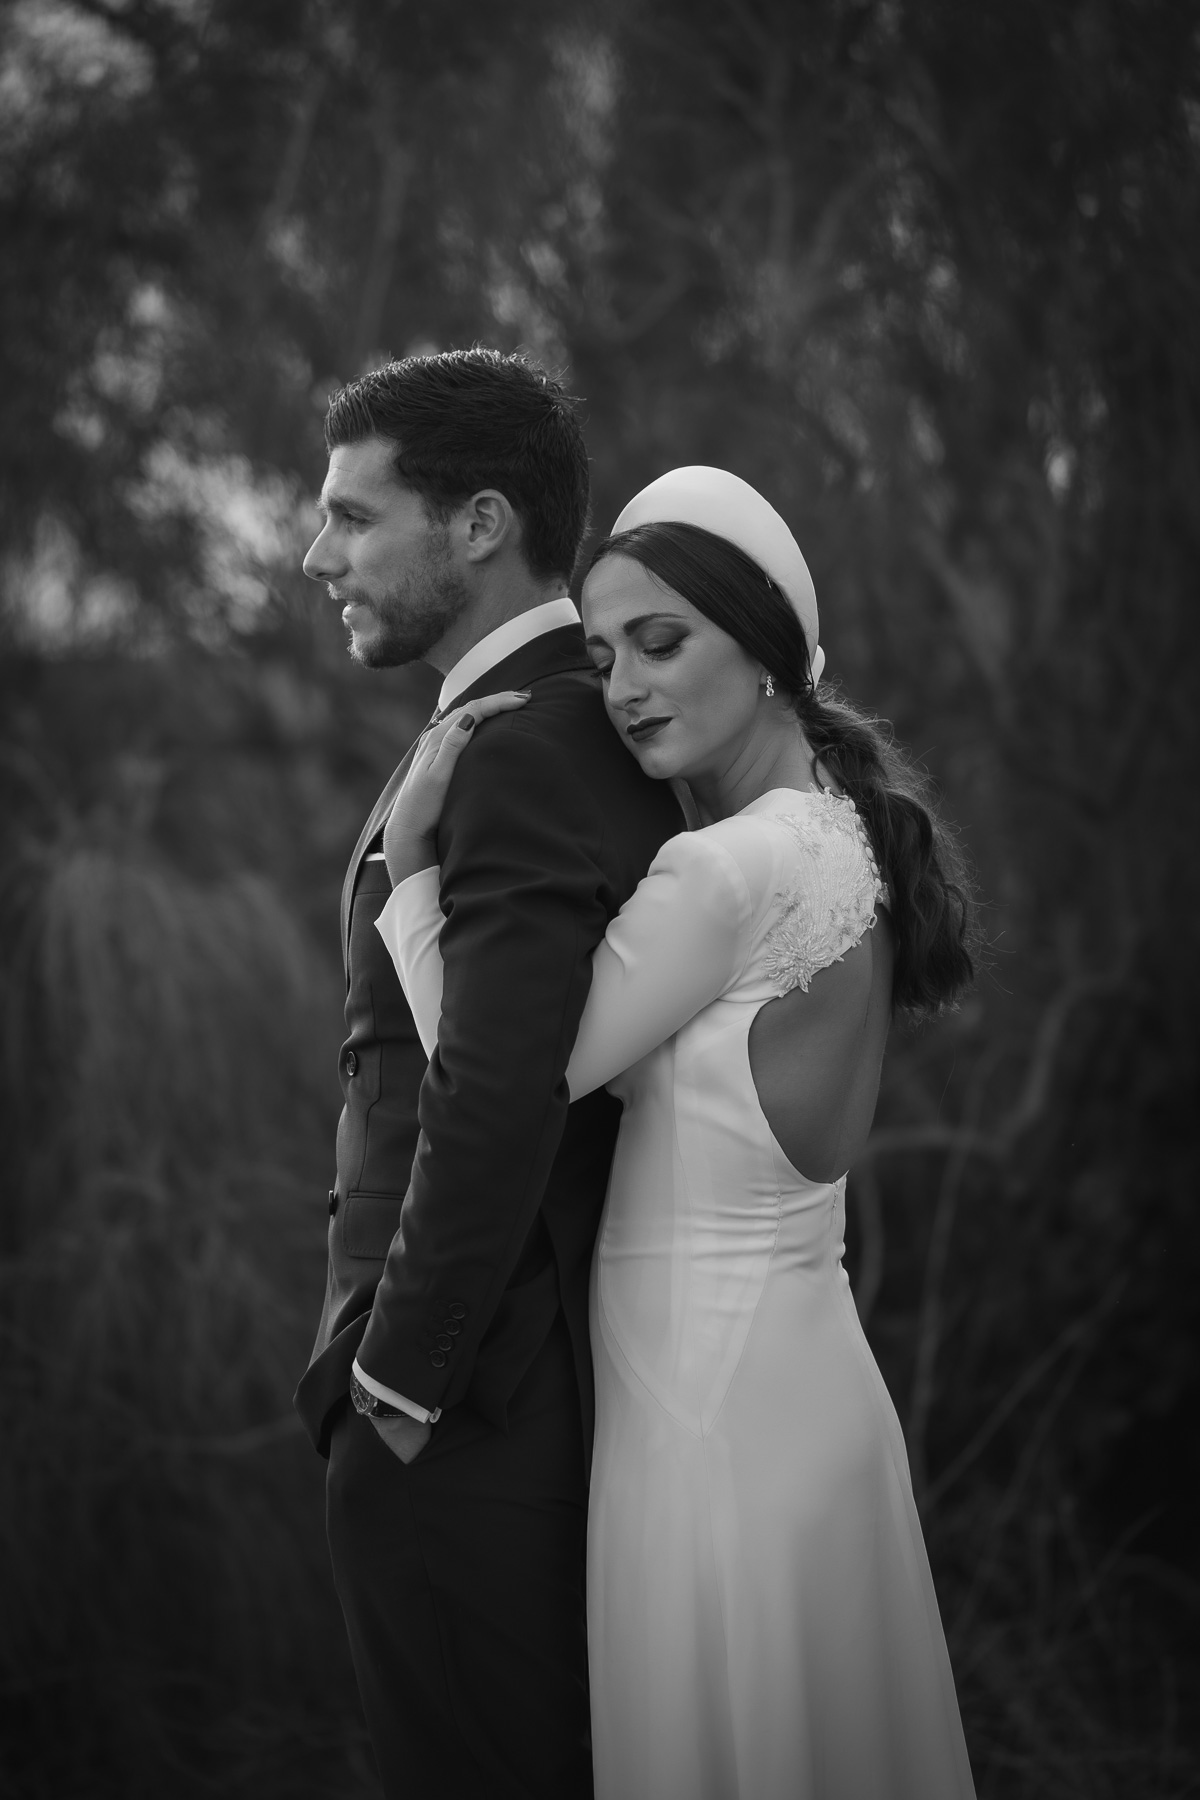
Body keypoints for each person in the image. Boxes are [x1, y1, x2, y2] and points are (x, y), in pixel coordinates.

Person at [378, 466, 979, 1799]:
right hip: (814, 1400)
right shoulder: (837, 840)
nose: (629, 685)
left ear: (765, 653)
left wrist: (414, 875)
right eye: (602, 657)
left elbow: (511, 1073)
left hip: (701, 1424)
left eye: (664, 642)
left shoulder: (720, 870)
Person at [292, 350, 682, 1800]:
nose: (314, 550)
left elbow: (500, 1086)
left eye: (353, 513)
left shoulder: (523, 747)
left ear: (479, 524)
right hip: (478, 1403)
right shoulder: (543, 729)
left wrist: (396, 1378)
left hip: (460, 1417)